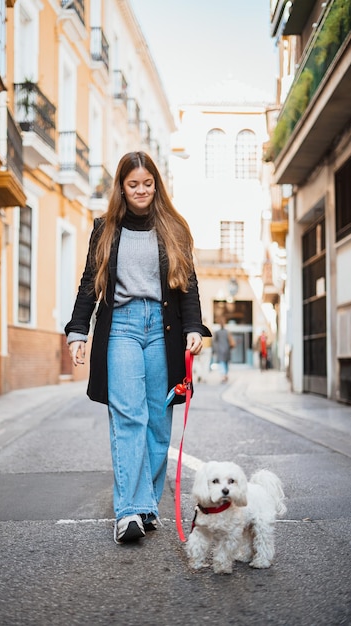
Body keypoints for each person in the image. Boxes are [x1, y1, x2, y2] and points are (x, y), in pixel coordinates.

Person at [64, 151, 211, 544]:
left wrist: (194, 327)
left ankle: (147, 507)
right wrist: (78, 331)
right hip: (122, 328)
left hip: (164, 329)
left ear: (156, 186)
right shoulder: (105, 229)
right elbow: (88, 284)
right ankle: (128, 512)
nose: (141, 190)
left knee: (159, 422)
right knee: (129, 416)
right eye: (134, 185)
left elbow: (188, 284)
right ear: (122, 188)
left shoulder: (174, 228)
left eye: (148, 184)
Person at [212, 318, 234, 383]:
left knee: (222, 363)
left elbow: (214, 342)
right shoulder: (227, 332)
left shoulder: (217, 333)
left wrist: (214, 350)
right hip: (226, 350)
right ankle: (225, 375)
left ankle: (223, 375)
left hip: (221, 350)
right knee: (225, 363)